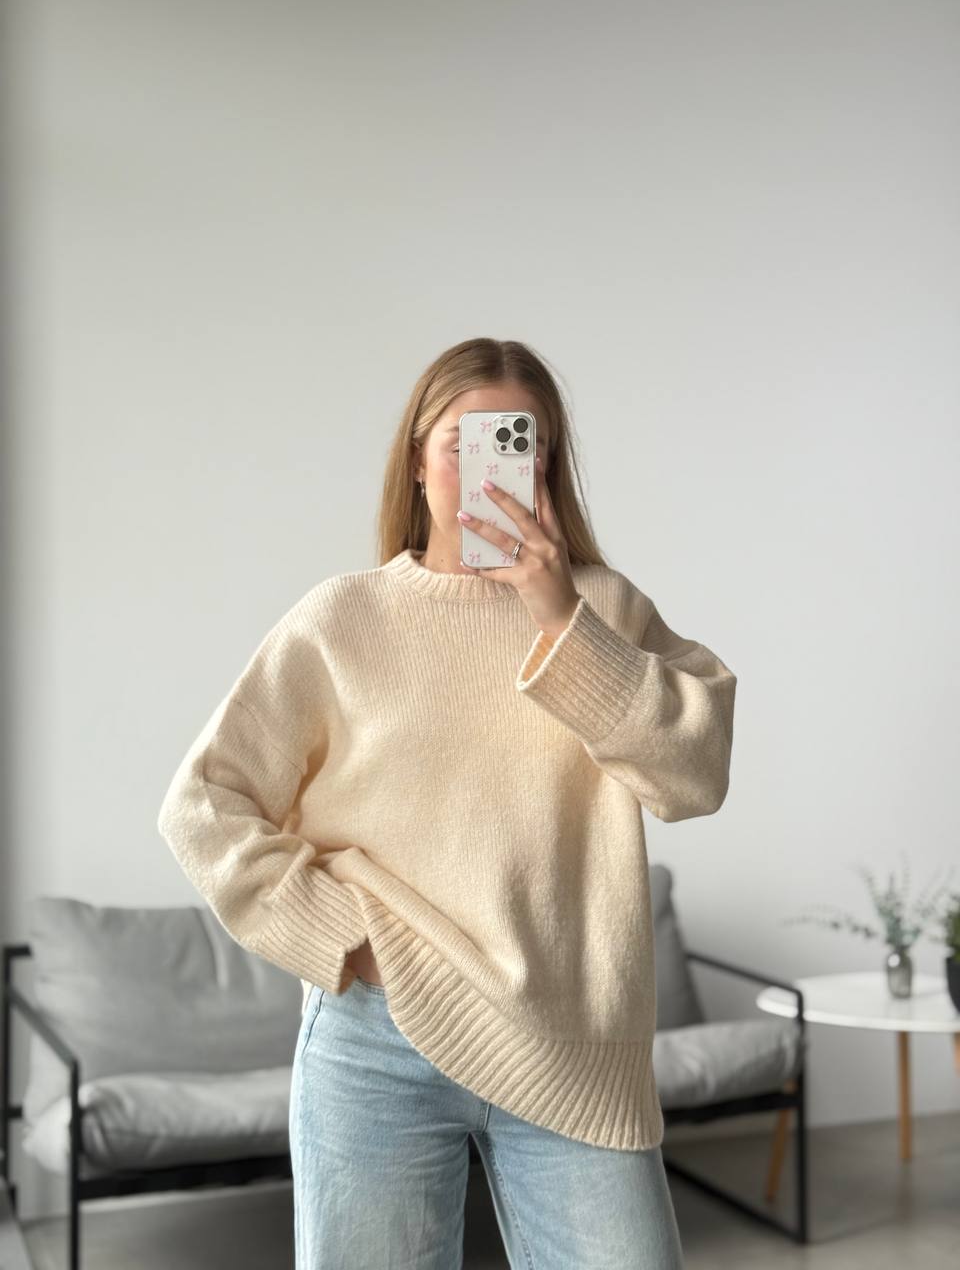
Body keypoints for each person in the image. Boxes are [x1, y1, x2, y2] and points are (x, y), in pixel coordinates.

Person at [157, 336, 737, 1268]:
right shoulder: (343, 618)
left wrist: (561, 616)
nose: (487, 467)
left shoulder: (605, 610)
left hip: (571, 1045)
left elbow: (696, 773)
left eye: (516, 442)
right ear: (420, 464)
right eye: (461, 444)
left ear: (545, 465)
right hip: (374, 1039)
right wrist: (340, 936)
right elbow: (203, 802)